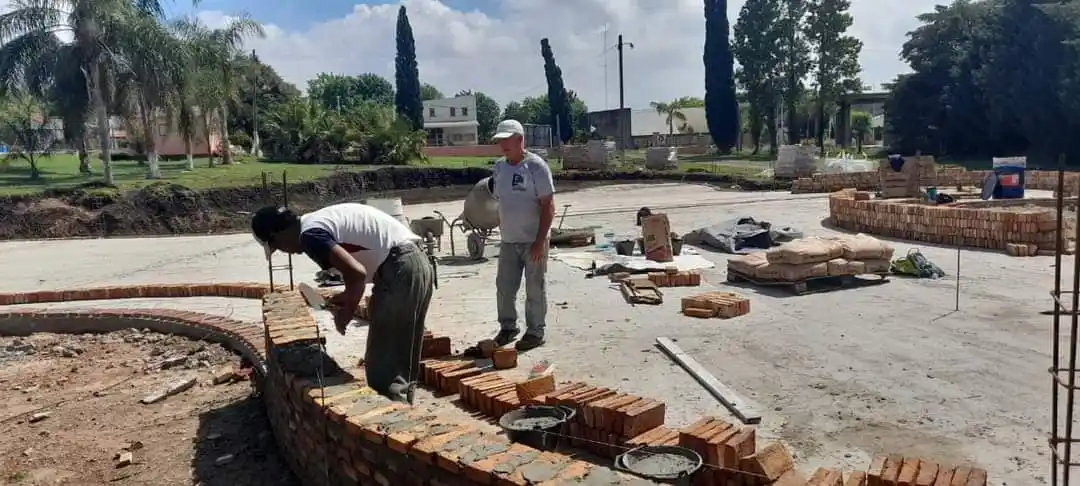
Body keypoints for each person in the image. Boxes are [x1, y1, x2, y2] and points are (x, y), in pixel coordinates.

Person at [250, 203, 433, 404]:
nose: (286, 252)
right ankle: (401, 411)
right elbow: (354, 273)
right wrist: (347, 296)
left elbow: (357, 274)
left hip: (400, 268)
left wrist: (345, 314)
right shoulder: (318, 221)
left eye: (277, 247)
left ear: (277, 234)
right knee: (400, 352)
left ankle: (393, 416)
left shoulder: (310, 236)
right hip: (415, 263)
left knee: (385, 366)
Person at [489, 119, 556, 351]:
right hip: (509, 240)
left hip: (533, 240)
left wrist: (540, 241)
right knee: (505, 287)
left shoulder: (536, 166)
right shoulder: (500, 167)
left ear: (520, 139)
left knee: (534, 288)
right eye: (500, 141)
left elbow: (548, 206)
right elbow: (501, 199)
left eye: (507, 140)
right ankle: (508, 328)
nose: (503, 145)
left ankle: (535, 332)